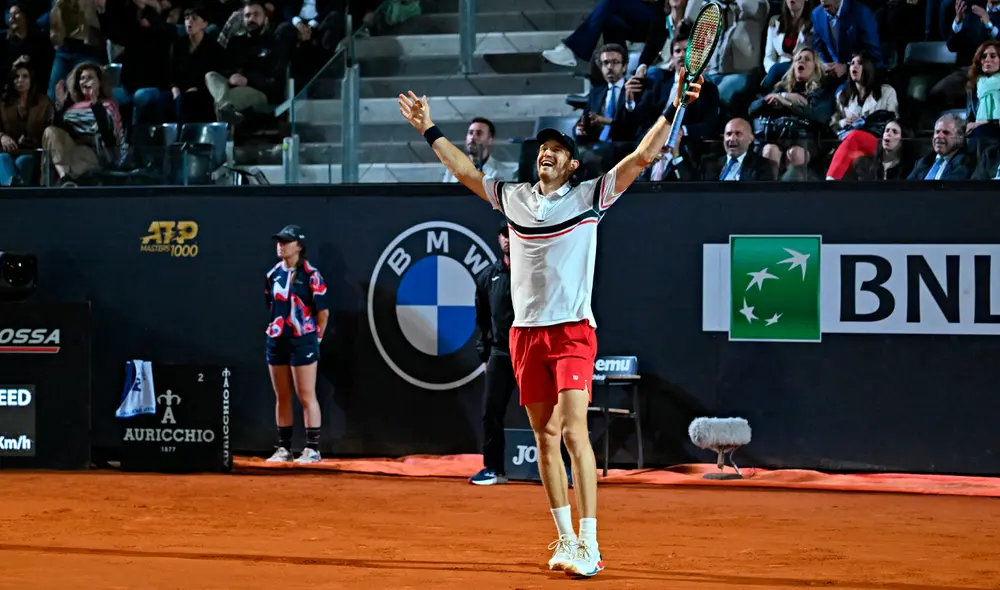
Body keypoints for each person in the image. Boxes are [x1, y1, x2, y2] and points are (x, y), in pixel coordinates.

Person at [397, 69, 701, 577]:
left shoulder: (591, 198)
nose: (548, 152)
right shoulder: (514, 198)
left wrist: (672, 105)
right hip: (525, 335)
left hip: (572, 331)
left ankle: (590, 544)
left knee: (576, 433)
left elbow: (644, 156)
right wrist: (430, 128)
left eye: (558, 149)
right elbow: (465, 171)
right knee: (544, 436)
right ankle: (563, 538)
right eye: (543, 147)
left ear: (572, 163)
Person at [264, 224, 329, 464]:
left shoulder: (312, 275)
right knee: (281, 395)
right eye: (279, 241)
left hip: (303, 341)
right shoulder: (272, 275)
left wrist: (315, 339)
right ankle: (284, 449)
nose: (280, 246)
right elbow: (272, 307)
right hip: (277, 339)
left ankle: (312, 449)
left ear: (299, 246)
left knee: (306, 395)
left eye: (286, 241)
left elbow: (323, 313)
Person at [470, 224, 516, 486]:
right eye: (503, 235)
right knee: (491, 412)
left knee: (550, 414)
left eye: (512, 234)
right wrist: (485, 354)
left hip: (531, 352)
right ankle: (494, 469)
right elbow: (483, 320)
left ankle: (562, 468)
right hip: (500, 353)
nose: (508, 240)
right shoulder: (487, 277)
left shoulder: (535, 273)